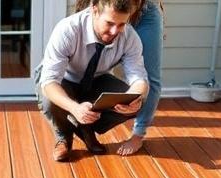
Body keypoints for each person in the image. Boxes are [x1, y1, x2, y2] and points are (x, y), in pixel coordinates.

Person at [36, 0, 149, 162]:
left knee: (138, 101)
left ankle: (85, 127)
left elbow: (139, 78)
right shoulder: (68, 29)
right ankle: (63, 136)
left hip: (95, 80)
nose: (114, 31)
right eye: (109, 23)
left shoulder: (130, 37)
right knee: (49, 100)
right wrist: (75, 108)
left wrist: (134, 97)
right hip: (63, 79)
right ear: (94, 11)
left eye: (121, 24)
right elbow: (49, 82)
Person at [77, 0, 164, 156]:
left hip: (143, 11)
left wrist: (137, 98)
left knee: (148, 78)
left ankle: (138, 134)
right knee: (98, 70)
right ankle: (85, 122)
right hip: (109, 7)